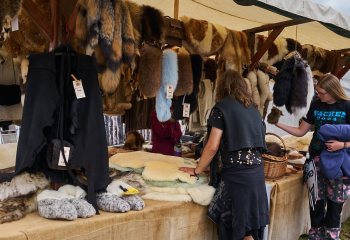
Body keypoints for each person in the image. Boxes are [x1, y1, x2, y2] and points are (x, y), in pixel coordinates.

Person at [181, 70, 269, 240]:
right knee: (249, 229)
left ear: (222, 87)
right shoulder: (253, 109)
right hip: (256, 174)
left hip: (237, 177)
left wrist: (197, 169)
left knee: (240, 230)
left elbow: (212, 146)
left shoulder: (221, 108)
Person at [275, 73, 350, 240]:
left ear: (333, 91)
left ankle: (331, 235)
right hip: (315, 159)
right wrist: (277, 123)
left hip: (339, 163)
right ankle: (315, 234)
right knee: (316, 198)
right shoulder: (316, 105)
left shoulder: (347, 106)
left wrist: (342, 145)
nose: (318, 95)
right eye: (318, 91)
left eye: (322, 92)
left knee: (335, 201)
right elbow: (301, 131)